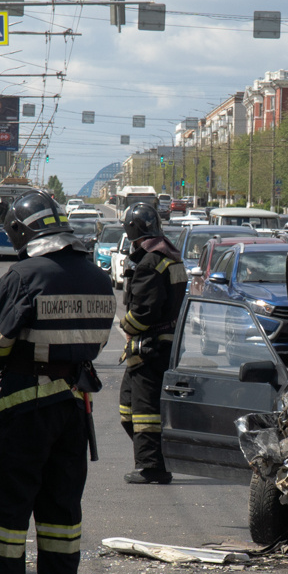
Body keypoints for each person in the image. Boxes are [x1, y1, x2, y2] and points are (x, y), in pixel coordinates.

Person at [0, 191, 115, 574]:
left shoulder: (25, 274)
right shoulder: (99, 277)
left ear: (22, 232)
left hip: (26, 406)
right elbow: (98, 342)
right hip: (75, 408)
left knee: (12, 507)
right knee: (62, 506)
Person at [117, 201, 186, 485]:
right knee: (128, 406)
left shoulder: (150, 262)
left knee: (143, 410)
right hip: (165, 344)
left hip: (150, 346)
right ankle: (157, 458)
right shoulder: (171, 255)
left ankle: (151, 467)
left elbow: (145, 311)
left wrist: (126, 326)